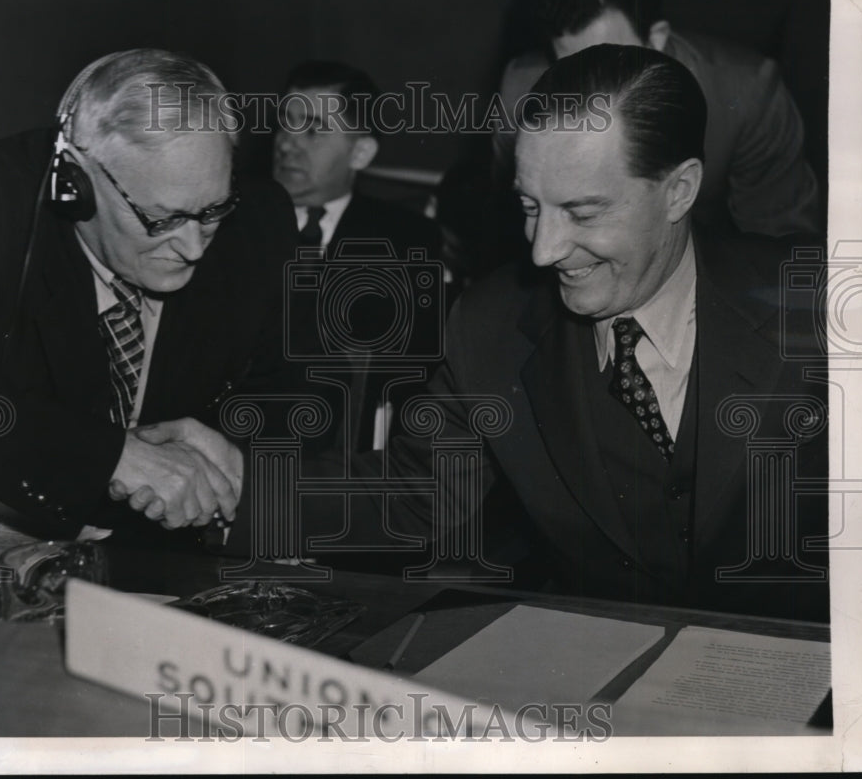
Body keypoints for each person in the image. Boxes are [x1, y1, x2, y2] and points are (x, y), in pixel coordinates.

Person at [170, 44, 827, 620]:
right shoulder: (490, 323)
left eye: (582, 211)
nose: (544, 250)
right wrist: (236, 483)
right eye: (529, 206)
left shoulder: (818, 311)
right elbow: (416, 494)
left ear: (680, 190)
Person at [0, 49, 297, 543]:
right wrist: (112, 456)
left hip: (165, 551)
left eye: (212, 211)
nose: (193, 245)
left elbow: (285, 390)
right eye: (163, 219)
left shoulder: (261, 220)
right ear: (74, 183)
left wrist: (228, 454)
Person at [494, 0, 822, 238]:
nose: (591, 90)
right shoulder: (522, 92)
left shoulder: (749, 93)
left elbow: (778, 244)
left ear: (658, 37)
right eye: (568, 68)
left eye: (613, 64)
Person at [272, 60, 442, 453]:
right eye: (285, 122)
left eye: (313, 128)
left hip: (346, 452)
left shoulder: (404, 239)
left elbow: (409, 370)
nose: (286, 143)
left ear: (360, 152)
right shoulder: (235, 224)